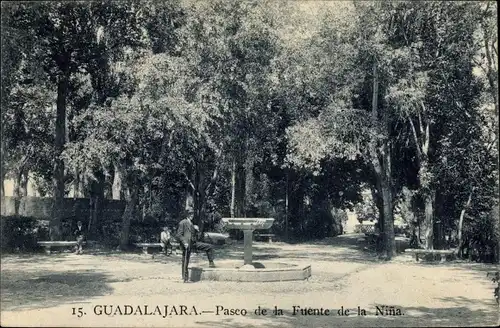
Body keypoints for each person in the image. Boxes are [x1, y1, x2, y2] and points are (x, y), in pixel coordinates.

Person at [176, 210, 215, 283]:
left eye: (192, 214)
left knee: (209, 247)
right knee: (185, 261)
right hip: (187, 244)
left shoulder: (191, 223)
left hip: (193, 243)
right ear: (187, 215)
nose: (191, 215)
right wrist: (184, 242)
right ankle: (185, 277)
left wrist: (195, 229)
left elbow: (192, 234)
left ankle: (211, 263)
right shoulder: (182, 222)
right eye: (190, 214)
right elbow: (179, 234)